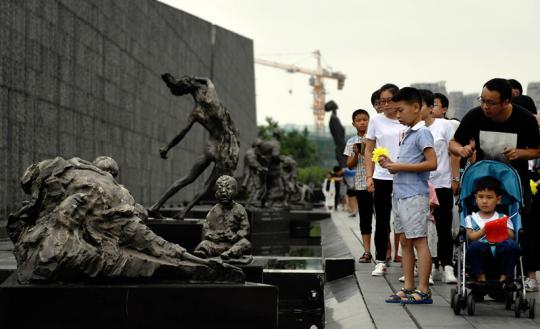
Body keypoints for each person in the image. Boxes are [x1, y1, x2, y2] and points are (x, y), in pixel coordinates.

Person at [449, 78, 540, 292]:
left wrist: (520, 153)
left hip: (514, 181)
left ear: (506, 102)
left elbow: (537, 150)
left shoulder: (524, 119)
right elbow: (454, 142)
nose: (485, 106)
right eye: (483, 100)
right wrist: (461, 151)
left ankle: (529, 275)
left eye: (491, 102)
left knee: (523, 225)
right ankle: (478, 273)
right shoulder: (475, 115)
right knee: (476, 220)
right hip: (482, 180)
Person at [149, 74, 240, 219]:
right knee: (208, 185)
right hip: (225, 148)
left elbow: (182, 133)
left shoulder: (196, 112)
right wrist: (195, 78)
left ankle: (156, 206)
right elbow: (208, 81)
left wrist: (167, 147)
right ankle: (184, 212)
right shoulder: (212, 98)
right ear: (198, 87)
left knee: (187, 178)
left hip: (210, 147)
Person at [381, 87, 436, 304]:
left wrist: (399, 166)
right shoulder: (408, 133)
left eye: (400, 110)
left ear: (416, 107)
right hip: (401, 194)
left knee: (419, 241)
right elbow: (407, 163)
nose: (398, 116)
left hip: (414, 195)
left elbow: (432, 163)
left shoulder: (422, 132)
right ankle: (409, 286)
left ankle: (423, 289)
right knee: (404, 240)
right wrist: (390, 164)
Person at [364, 83, 406, 276]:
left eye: (390, 100)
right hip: (381, 176)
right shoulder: (376, 120)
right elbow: (369, 149)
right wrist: (369, 176)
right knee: (382, 219)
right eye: (382, 101)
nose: (386, 105)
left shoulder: (406, 119)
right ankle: (381, 259)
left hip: (405, 174)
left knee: (406, 219)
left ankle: (409, 260)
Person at [419, 90, 458, 284]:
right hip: (421, 185)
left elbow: (454, 153)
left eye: (431, 105)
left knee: (444, 227)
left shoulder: (444, 125)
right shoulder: (414, 129)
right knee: (423, 228)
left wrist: (455, 178)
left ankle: (447, 266)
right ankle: (429, 266)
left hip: (442, 182)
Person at [465, 176, 520, 285]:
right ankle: (481, 278)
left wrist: (502, 227)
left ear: (498, 200)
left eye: (489, 197)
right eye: (481, 197)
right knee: (474, 246)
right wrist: (483, 231)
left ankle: (504, 279)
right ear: (476, 198)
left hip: (500, 255)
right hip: (482, 255)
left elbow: (512, 236)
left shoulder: (503, 217)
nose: (484, 201)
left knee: (512, 245)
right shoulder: (471, 218)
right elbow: (470, 237)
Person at [194, 175, 251, 261]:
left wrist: (237, 235)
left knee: (245, 243)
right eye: (220, 189)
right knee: (204, 244)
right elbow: (206, 228)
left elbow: (245, 228)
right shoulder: (213, 211)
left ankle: (229, 253)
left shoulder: (239, 209)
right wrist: (212, 235)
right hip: (217, 245)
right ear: (216, 193)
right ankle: (204, 252)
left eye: (228, 188)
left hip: (233, 244)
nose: (224, 192)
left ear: (235, 192)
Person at [344, 109, 374, 262]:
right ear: (353, 123)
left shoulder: (375, 137)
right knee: (365, 219)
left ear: (370, 120)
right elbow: (349, 165)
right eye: (359, 120)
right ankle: (367, 251)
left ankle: (388, 253)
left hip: (378, 182)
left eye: (365, 119)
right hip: (361, 184)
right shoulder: (351, 141)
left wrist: (368, 148)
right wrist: (356, 153)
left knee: (383, 218)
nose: (362, 122)